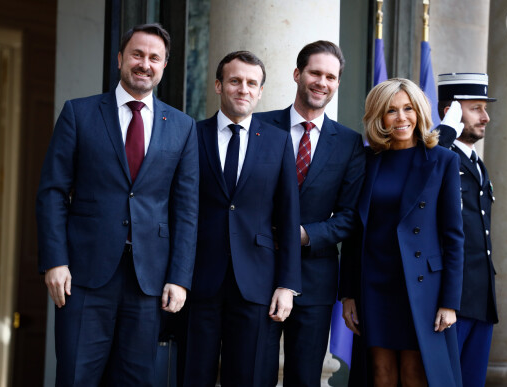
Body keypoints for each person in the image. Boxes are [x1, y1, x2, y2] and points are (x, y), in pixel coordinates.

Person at [36, 23, 199, 386]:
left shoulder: (183, 127)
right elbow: (52, 193)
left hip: (149, 281)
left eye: (154, 57)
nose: (145, 64)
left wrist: (179, 277)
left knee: (134, 380)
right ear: (121, 59)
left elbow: (186, 209)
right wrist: (55, 261)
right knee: (76, 376)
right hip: (83, 275)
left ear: (164, 65)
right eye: (137, 54)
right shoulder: (78, 114)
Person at [183, 51, 301, 387]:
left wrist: (287, 284)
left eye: (252, 83)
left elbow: (289, 216)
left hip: (258, 283)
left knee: (249, 378)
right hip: (199, 280)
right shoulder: (193, 134)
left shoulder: (278, 142)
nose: (243, 89)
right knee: (193, 375)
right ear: (219, 86)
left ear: (260, 91)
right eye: (235, 81)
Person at [339, 78, 464, 387]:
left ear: (419, 112)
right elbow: (354, 232)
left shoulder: (443, 160)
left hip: (422, 287)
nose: (401, 118)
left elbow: (454, 236)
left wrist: (450, 302)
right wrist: (348, 295)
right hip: (374, 284)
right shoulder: (367, 162)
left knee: (414, 374)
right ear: (378, 117)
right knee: (379, 374)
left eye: (408, 108)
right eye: (391, 111)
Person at [255, 40, 366, 386]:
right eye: (315, 73)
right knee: (252, 374)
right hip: (255, 271)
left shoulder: (349, 143)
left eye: (331, 77)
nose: (322, 82)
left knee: (305, 378)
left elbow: (349, 216)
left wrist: (302, 234)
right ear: (297, 74)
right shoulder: (258, 126)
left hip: (314, 279)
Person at [436, 72, 498, 387]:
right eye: (476, 108)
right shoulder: (440, 156)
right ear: (452, 111)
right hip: (452, 298)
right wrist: (445, 130)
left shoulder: (475, 163)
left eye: (484, 108)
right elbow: (423, 168)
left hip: (480, 297)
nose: (485, 117)